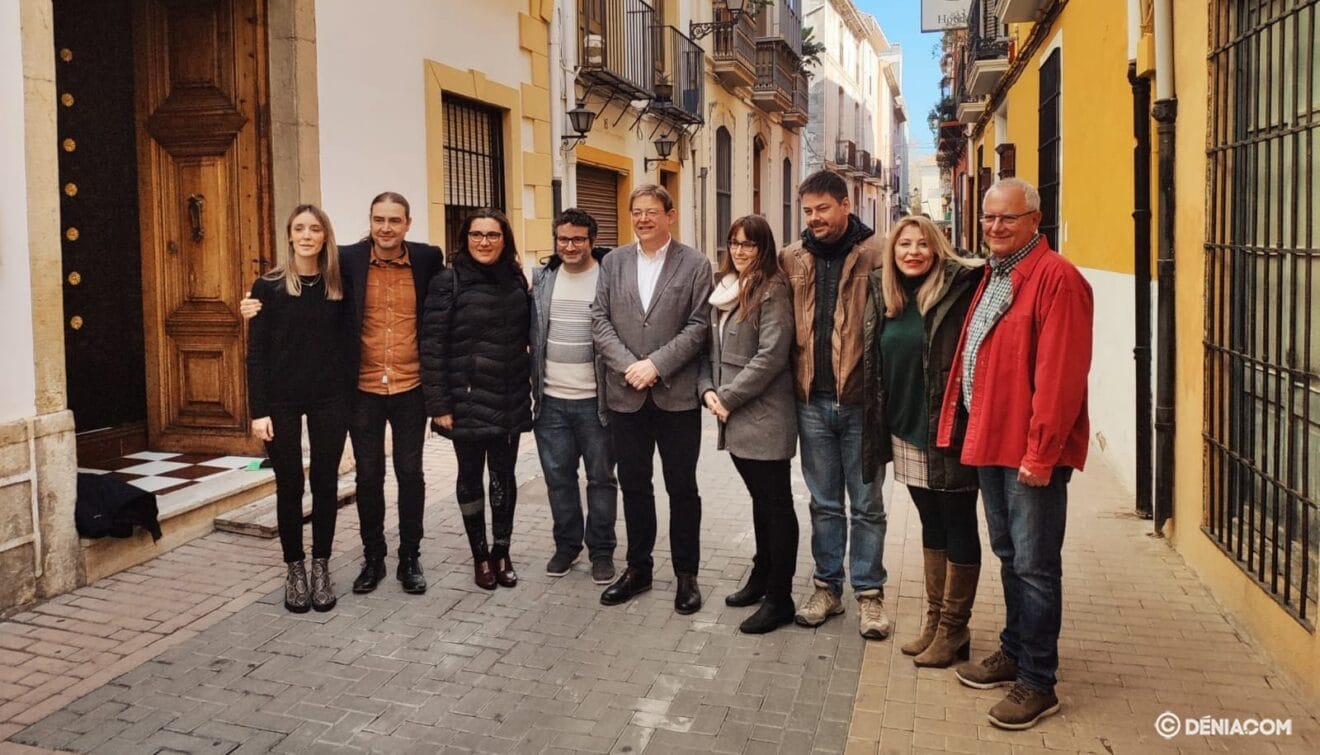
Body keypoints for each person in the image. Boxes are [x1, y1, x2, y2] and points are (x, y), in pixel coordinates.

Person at [937, 177, 1093, 730]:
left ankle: (1038, 680)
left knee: (1035, 566)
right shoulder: (994, 275)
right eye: (988, 218)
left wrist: (1041, 453)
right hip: (992, 440)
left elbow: (1060, 378)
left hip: (1029, 452)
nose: (995, 227)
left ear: (1035, 219)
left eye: (1007, 218)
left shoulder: (1058, 280)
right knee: (1009, 555)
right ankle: (1013, 650)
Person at [242, 192, 444, 596]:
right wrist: (251, 307)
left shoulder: (421, 260)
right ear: (368, 222)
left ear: (408, 223)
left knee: (407, 475)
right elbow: (263, 343)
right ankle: (364, 559)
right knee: (363, 477)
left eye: (394, 220)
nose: (385, 227)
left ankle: (404, 558)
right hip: (356, 390)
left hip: (395, 388)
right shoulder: (342, 264)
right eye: (378, 219)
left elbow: (450, 296)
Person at [861, 215, 984, 667]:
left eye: (922, 244)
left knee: (958, 523)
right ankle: (936, 621)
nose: (913, 252)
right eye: (903, 245)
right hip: (905, 428)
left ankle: (955, 628)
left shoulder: (960, 291)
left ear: (937, 250)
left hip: (947, 429)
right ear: (893, 254)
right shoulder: (887, 295)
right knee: (930, 522)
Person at [780, 170, 891, 639]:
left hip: (863, 402)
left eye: (823, 208)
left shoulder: (878, 253)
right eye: (807, 211)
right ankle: (828, 587)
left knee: (866, 503)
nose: (814, 219)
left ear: (845, 205)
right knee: (824, 503)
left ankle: (869, 594)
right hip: (811, 402)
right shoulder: (792, 257)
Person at [591, 184, 711, 614]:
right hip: (626, 397)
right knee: (635, 487)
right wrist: (629, 366)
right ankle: (638, 569)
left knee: (683, 489)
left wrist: (656, 365)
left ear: (670, 215)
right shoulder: (614, 262)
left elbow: (699, 326)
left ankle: (686, 575)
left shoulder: (696, 264)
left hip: (675, 397)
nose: (643, 219)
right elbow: (600, 319)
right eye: (636, 212)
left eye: (651, 212)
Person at [246, 205, 355, 613]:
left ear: (325, 236)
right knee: (290, 485)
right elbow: (255, 355)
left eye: (315, 229)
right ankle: (295, 568)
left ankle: (321, 565)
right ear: (289, 236)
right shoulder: (268, 287)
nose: (307, 235)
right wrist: (259, 411)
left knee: (325, 484)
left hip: (331, 399)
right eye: (299, 229)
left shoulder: (339, 287)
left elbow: (349, 345)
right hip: (281, 401)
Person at [421, 209, 533, 590]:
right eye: (476, 234)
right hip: (464, 400)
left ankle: (503, 551)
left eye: (493, 235)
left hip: (510, 397)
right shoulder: (447, 282)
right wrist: (438, 406)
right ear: (465, 239)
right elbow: (432, 345)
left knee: (504, 477)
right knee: (470, 478)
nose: (484, 242)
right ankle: (480, 555)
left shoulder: (516, 278)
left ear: (505, 240)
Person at [696, 215, 798, 634]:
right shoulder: (725, 291)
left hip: (764, 415)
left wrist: (729, 398)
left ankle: (781, 597)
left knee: (775, 505)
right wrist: (707, 391)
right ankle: (761, 576)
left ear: (764, 248)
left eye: (749, 244)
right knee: (761, 501)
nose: (739, 250)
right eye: (734, 242)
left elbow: (772, 355)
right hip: (733, 413)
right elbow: (708, 350)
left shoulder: (772, 289)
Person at [532, 208, 618, 585]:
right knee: (558, 478)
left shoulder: (608, 278)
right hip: (550, 400)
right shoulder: (543, 279)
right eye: (563, 239)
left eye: (578, 239)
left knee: (600, 479)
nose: (570, 246)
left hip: (595, 402)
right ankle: (567, 546)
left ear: (591, 241)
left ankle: (601, 551)